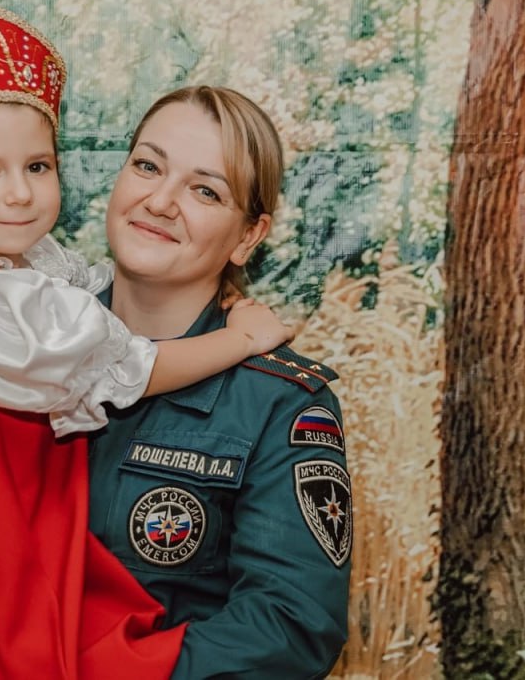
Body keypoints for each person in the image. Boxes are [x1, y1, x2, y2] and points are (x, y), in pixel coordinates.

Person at [0, 8, 293, 679]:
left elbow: (286, 626)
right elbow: (124, 364)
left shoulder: (41, 280)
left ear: (249, 234)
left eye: (37, 166)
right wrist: (237, 340)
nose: (18, 194)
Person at [86, 86, 353, 678]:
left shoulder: (280, 403)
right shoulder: (12, 351)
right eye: (148, 166)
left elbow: (289, 628)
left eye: (205, 190)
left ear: (248, 237)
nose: (160, 201)